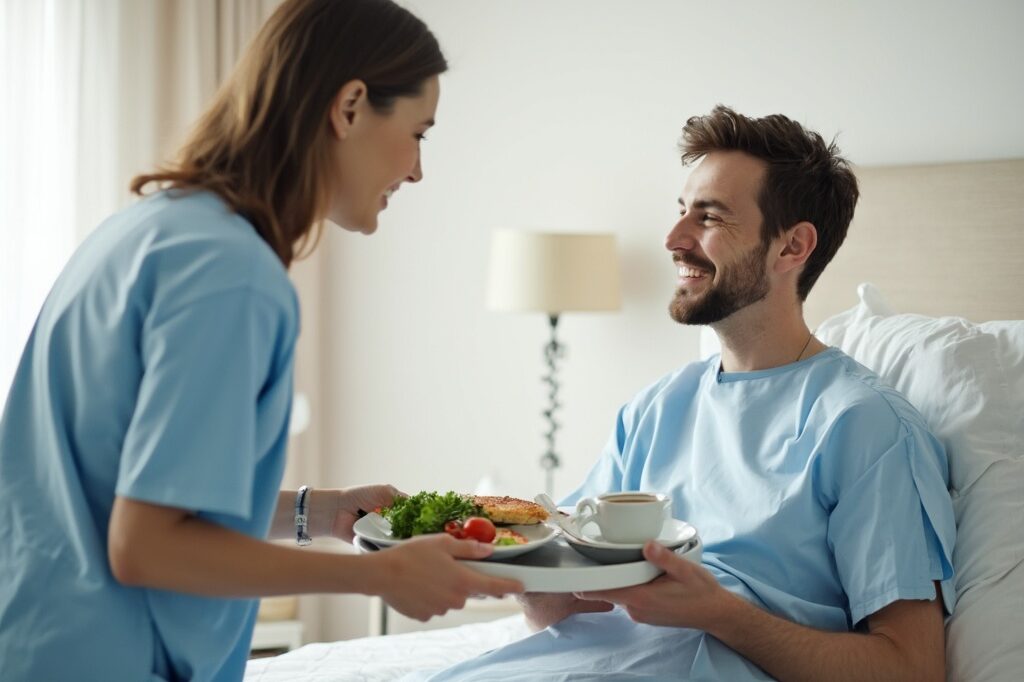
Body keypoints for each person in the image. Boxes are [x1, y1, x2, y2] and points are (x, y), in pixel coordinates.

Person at [0, 1, 522, 680]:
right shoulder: (232, 276)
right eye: (419, 132)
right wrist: (381, 578)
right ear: (351, 106)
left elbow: (129, 495)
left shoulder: (153, 229)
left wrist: (320, 512)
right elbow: (148, 547)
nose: (418, 169)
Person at [411, 107, 956, 681]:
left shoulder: (866, 427)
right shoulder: (654, 409)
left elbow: (912, 668)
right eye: (680, 213)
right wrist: (519, 568)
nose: (674, 240)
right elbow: (562, 610)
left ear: (792, 247)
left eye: (710, 217)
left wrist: (723, 615)